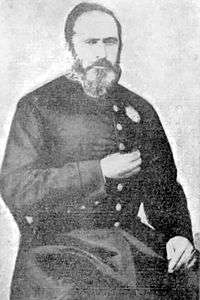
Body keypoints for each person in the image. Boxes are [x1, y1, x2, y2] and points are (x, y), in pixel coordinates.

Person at [0, 2, 199, 299]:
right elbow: (15, 187)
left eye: (110, 42)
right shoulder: (38, 105)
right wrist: (99, 172)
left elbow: (164, 187)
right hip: (59, 257)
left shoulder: (140, 108)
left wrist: (178, 233)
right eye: (91, 42)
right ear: (71, 46)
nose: (102, 53)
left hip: (131, 246)